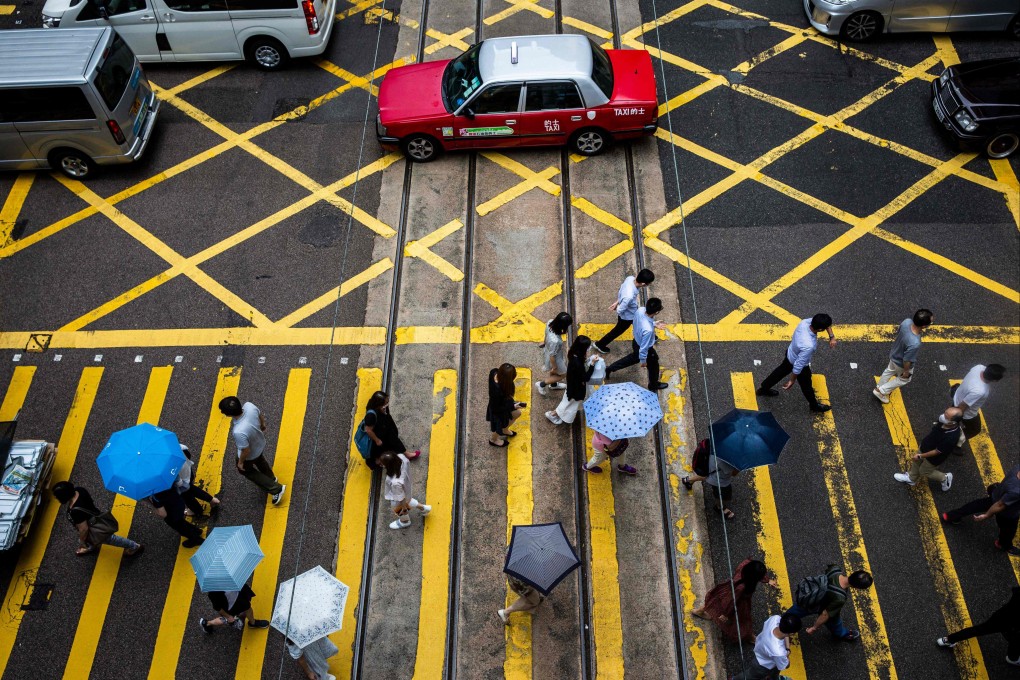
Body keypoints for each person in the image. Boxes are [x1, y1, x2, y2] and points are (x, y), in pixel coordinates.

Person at [757, 313, 836, 413]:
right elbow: (798, 365)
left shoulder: (805, 323)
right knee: (807, 386)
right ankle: (814, 406)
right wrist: (792, 380)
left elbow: (824, 324)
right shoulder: (809, 345)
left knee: (779, 372)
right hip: (798, 363)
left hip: (790, 353)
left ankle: (763, 389)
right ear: (820, 329)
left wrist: (831, 337)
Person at [942, 464, 1020, 556]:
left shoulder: (1017, 468)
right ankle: (1003, 545)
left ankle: (951, 516)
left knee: (976, 505)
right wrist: (987, 515)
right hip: (1007, 511)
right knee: (1008, 530)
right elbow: (999, 505)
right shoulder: (1017, 491)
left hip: (996, 494)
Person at [693, 558, 777, 643]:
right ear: (754, 579)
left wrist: (768, 580)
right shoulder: (742, 588)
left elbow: (752, 568)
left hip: (727, 590)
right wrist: (726, 614)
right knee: (743, 620)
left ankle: (700, 611)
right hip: (739, 602)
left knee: (715, 602)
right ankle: (749, 636)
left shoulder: (745, 565)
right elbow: (732, 602)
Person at [219, 396, 285, 505]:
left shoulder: (239, 431)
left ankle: (276, 488)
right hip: (259, 443)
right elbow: (260, 415)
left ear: (228, 414)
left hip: (250, 454)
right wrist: (263, 425)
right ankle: (271, 478)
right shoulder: (249, 406)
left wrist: (240, 463)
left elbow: (245, 450)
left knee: (246, 470)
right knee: (260, 461)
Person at [52, 482, 143, 557]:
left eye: (57, 496)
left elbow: (84, 529)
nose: (56, 498)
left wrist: (82, 542)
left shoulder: (75, 511)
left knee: (110, 539)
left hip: (94, 527)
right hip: (95, 516)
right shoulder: (79, 490)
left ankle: (134, 546)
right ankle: (91, 545)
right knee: (93, 538)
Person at [936, 586, 1020, 667]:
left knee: (979, 629)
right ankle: (1013, 658)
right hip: (1015, 628)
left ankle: (949, 639)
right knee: (1016, 642)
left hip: (1002, 616)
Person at [785, 565, 872, 642]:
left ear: (853, 573)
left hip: (811, 600)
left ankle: (783, 623)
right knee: (834, 622)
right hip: (821, 607)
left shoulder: (835, 569)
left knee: (794, 612)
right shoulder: (839, 598)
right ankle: (842, 634)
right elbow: (825, 614)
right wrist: (814, 627)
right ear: (857, 587)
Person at [604, 298, 669, 391]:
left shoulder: (640, 310)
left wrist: (653, 324)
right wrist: (643, 361)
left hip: (636, 341)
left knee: (632, 359)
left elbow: (641, 322)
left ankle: (610, 368)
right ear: (657, 312)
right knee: (654, 366)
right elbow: (644, 347)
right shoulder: (649, 331)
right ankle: (653, 385)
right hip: (643, 347)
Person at [892, 406, 962, 492]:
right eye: (945, 413)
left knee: (924, 471)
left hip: (933, 458)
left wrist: (920, 456)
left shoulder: (951, 437)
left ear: (953, 422)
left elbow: (937, 451)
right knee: (916, 463)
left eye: (946, 416)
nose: (942, 416)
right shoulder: (944, 422)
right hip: (925, 446)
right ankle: (911, 478)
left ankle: (945, 478)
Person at [871, 309, 933, 403]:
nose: (932, 322)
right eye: (931, 322)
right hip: (901, 363)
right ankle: (881, 391)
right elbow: (907, 360)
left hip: (894, 354)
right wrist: (906, 371)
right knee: (904, 379)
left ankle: (880, 386)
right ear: (924, 326)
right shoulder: (914, 343)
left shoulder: (906, 322)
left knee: (889, 370)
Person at [593, 269, 655, 354]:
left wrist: (617, 302)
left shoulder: (630, 278)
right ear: (643, 284)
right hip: (627, 317)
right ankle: (600, 344)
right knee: (616, 332)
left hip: (632, 312)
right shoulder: (629, 296)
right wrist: (618, 305)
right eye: (649, 283)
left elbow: (622, 293)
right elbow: (620, 309)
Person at [731, 613, 801, 680]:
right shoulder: (779, 652)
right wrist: (787, 654)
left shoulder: (775, 619)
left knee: (773, 672)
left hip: (760, 650)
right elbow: (785, 665)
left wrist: (787, 648)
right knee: (750, 675)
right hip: (763, 665)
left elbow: (785, 633)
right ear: (792, 633)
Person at [362, 390, 421, 469]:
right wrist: (377, 440)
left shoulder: (382, 407)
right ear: (378, 404)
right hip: (380, 434)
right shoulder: (371, 416)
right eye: (385, 403)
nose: (387, 404)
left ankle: (401, 453)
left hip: (386, 427)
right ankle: (406, 454)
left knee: (392, 438)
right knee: (391, 440)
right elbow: (368, 430)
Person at [545, 336, 595, 426]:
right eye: (587, 347)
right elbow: (586, 378)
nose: (588, 349)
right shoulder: (578, 363)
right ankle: (553, 414)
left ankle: (554, 414)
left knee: (569, 401)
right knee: (568, 403)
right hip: (577, 389)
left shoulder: (573, 353)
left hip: (572, 384)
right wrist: (592, 365)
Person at [952, 363, 1005, 447]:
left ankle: (948, 427)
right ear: (995, 380)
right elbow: (963, 405)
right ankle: (955, 442)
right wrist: (956, 417)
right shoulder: (979, 391)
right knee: (975, 429)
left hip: (957, 397)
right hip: (967, 413)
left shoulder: (978, 367)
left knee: (952, 422)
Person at [379, 451, 431, 530]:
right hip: (407, 488)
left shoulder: (395, 483)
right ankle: (423, 508)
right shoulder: (402, 457)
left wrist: (404, 509)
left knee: (399, 507)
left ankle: (405, 522)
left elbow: (401, 498)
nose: (382, 465)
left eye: (383, 464)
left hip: (398, 497)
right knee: (408, 500)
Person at [684, 452, 739, 519]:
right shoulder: (731, 462)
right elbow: (733, 473)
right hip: (720, 480)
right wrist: (738, 468)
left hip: (712, 463)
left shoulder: (723, 446)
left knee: (709, 474)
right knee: (724, 495)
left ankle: (689, 481)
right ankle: (719, 508)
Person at [198, 583, 270, 633]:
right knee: (227, 619)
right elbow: (218, 608)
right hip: (230, 607)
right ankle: (207, 623)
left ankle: (253, 623)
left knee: (248, 608)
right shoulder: (213, 593)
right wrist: (228, 616)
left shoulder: (228, 574)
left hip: (239, 596)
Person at [175, 444, 220, 517]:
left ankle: (197, 510)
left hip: (180, 480)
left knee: (186, 496)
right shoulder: (167, 442)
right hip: (187, 471)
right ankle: (211, 499)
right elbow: (187, 452)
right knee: (190, 488)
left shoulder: (158, 462)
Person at [487, 363, 524, 447]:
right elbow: (496, 408)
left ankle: (505, 430)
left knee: (517, 414)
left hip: (503, 405)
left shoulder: (493, 372)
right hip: (499, 411)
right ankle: (493, 440)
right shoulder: (498, 391)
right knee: (499, 426)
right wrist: (512, 406)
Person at [535, 312, 572, 395]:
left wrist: (544, 342)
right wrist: (555, 367)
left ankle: (553, 384)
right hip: (555, 359)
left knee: (555, 372)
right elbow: (552, 356)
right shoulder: (555, 341)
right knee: (563, 374)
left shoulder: (549, 322)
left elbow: (546, 334)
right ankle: (541, 384)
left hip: (548, 351)